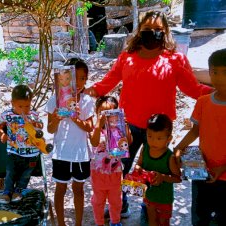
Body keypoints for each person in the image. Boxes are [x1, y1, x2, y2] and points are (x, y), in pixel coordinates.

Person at [84, 10, 213, 216]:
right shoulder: (127, 57)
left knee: (155, 173)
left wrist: (218, 94)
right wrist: (91, 90)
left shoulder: (175, 59)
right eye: (147, 29)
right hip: (126, 125)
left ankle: (150, 208)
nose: (152, 33)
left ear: (166, 32)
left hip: (159, 130)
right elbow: (108, 81)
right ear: (139, 31)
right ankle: (120, 204)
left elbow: (193, 89)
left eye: (158, 30)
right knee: (120, 168)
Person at [174, 48, 226, 226]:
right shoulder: (204, 102)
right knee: (199, 215)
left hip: (225, 177)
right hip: (202, 172)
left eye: (224, 72)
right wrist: (179, 148)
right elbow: (195, 130)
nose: (219, 77)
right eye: (214, 72)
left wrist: (223, 168)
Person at [46, 58, 95, 226]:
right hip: (61, 153)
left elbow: (90, 128)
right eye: (75, 77)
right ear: (65, 77)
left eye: (83, 78)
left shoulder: (87, 101)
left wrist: (76, 118)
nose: (79, 82)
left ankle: (78, 223)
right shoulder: (54, 101)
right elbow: (50, 129)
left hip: (81, 154)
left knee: (78, 190)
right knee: (60, 189)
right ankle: (61, 224)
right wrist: (57, 118)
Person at [0, 84, 43, 204]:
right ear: (12, 103)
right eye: (20, 106)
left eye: (27, 106)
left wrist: (36, 125)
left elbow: (41, 126)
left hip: (32, 154)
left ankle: (19, 191)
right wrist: (1, 134)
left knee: (26, 175)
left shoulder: (33, 114)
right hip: (14, 152)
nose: (24, 109)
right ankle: (7, 192)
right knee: (10, 172)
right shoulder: (7, 115)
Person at [134, 114, 181, 226]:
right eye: (150, 136)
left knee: (163, 223)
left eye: (159, 138)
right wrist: (138, 169)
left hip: (164, 199)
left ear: (168, 138)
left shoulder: (169, 157)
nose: (153, 141)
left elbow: (178, 178)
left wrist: (163, 177)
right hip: (149, 196)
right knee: (152, 221)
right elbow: (138, 164)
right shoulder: (145, 149)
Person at [90, 96, 130, 226]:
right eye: (102, 112)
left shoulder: (118, 130)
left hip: (115, 172)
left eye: (110, 112)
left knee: (116, 200)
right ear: (97, 112)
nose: (106, 116)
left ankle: (115, 221)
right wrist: (98, 123)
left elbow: (129, 142)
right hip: (98, 173)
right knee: (98, 200)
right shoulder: (95, 129)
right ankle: (99, 222)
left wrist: (125, 126)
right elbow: (94, 141)